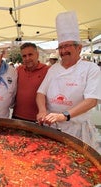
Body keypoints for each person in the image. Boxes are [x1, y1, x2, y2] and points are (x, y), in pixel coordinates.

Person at [36, 11, 101, 154]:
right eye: (61, 47)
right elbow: (41, 93)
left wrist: (64, 115)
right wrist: (42, 110)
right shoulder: (53, 69)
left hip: (77, 129)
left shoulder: (91, 68)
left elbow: (91, 101)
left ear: (79, 48)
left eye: (68, 46)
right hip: (52, 127)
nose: (63, 50)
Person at [12, 42, 49, 122]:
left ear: (37, 54)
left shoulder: (47, 70)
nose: (27, 58)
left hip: (38, 118)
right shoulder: (18, 70)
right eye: (24, 56)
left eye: (30, 55)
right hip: (17, 116)